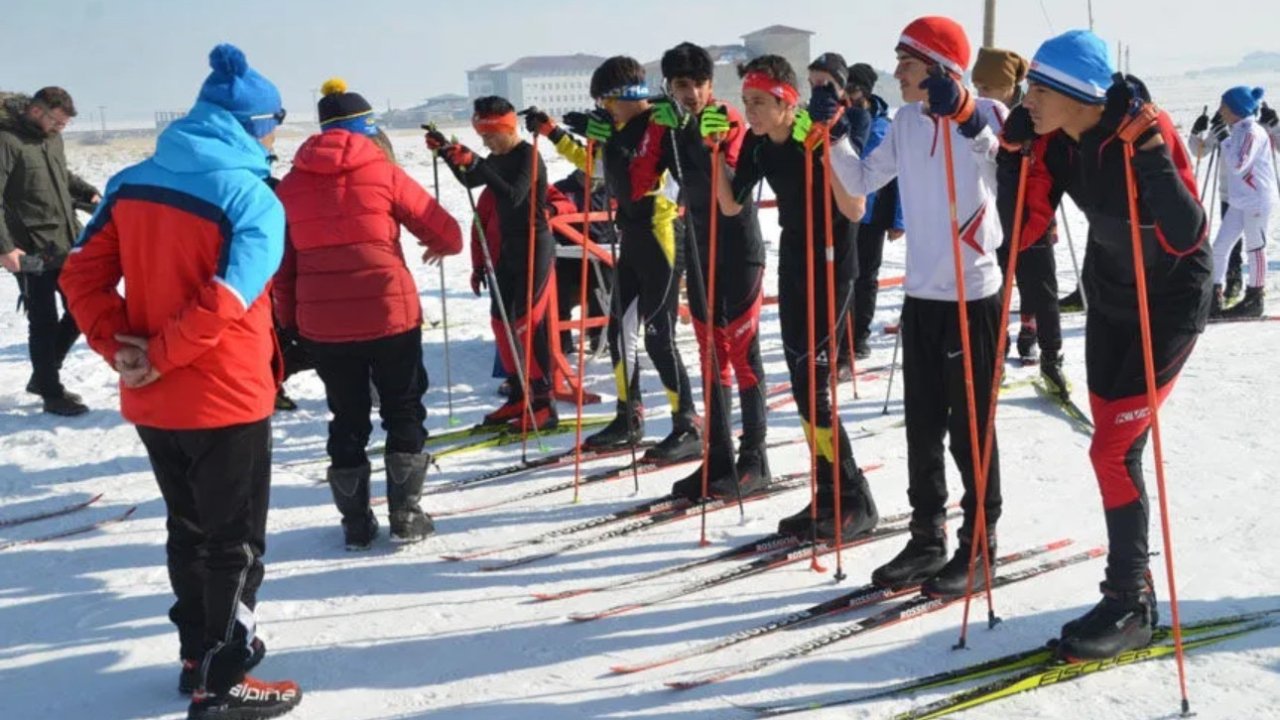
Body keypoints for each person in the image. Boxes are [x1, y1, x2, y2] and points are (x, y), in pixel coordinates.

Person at [59, 44, 301, 719]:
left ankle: (196, 655)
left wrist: (123, 350)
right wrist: (159, 353)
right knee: (235, 541)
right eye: (274, 124)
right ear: (253, 125)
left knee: (188, 529)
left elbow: (79, 274)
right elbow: (230, 297)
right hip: (223, 392)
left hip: (155, 398)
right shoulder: (250, 196)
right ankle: (222, 682)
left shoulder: (133, 180)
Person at [1000, 29, 1210, 658]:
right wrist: (1013, 157)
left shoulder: (1144, 128)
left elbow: (1185, 233)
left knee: (1113, 451)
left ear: (1076, 94)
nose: (1027, 99)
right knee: (1115, 450)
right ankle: (1130, 590)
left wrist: (1148, 149)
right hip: (1111, 298)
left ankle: (1130, 605)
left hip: (1168, 301)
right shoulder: (1054, 142)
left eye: (1039, 88)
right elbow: (1022, 230)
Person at [825, 16, 1007, 598]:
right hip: (922, 295)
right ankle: (928, 535)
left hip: (971, 295)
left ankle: (980, 543)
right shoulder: (904, 121)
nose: (896, 72)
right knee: (923, 426)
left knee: (969, 429)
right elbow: (863, 180)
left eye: (906, 63)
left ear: (938, 69)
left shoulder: (987, 116)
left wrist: (967, 117)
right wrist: (832, 137)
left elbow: (1005, 172)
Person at [275, 78, 461, 550]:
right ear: (366, 129)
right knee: (402, 407)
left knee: (346, 414)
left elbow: (283, 269)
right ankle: (406, 513)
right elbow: (448, 232)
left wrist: (293, 323)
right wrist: (436, 245)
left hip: (324, 324)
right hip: (389, 312)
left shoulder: (290, 186)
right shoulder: (383, 172)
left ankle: (355, 523)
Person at [709, 53, 879, 541]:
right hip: (794, 262)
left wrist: (828, 147)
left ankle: (855, 497)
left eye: (760, 102)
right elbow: (729, 202)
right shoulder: (761, 147)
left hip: (831, 262)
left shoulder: (813, 134)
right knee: (804, 388)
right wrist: (719, 150)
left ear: (787, 101)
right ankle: (828, 493)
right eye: (747, 103)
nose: (753, 112)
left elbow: (855, 208)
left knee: (816, 390)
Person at [524, 56, 701, 463]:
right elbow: (599, 169)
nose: (602, 109)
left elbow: (642, 174)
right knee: (621, 335)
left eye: (605, 102)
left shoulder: (660, 122)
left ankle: (687, 423)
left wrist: (610, 138)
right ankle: (629, 416)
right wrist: (552, 132)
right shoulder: (618, 126)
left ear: (622, 97)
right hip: (633, 237)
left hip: (661, 236)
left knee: (660, 339)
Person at [652, 42, 771, 500]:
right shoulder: (675, 127)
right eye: (680, 86)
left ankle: (754, 457)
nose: (688, 94)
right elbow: (650, 182)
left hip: (739, 248)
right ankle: (717, 455)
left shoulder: (727, 118)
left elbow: (737, 183)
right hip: (700, 249)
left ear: (708, 84)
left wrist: (714, 140)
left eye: (695, 85)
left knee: (743, 354)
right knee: (709, 355)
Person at [428, 96, 557, 431]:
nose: (486, 143)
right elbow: (472, 181)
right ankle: (518, 393)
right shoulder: (498, 157)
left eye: (489, 136)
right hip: (508, 250)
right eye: (481, 138)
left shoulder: (528, 155)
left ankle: (544, 403)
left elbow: (513, 194)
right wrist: (447, 152)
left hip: (534, 246)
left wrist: (477, 162)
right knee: (501, 322)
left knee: (525, 323)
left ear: (506, 128)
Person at [973, 47, 1068, 391]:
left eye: (989, 88)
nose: (982, 95)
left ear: (1010, 87)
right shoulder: (983, 115)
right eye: (978, 87)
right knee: (995, 291)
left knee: (1040, 290)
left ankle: (1047, 353)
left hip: (1034, 219)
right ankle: (995, 356)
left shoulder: (1032, 114)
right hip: (994, 220)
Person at [0, 87, 99, 416]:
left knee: (81, 310)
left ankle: (42, 376)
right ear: (36, 111)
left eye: (65, 123)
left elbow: (60, 176)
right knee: (42, 321)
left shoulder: (52, 139)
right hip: (29, 249)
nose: (61, 128)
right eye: (57, 121)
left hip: (64, 241)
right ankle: (51, 391)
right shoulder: (6, 142)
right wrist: (5, 248)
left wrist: (88, 193)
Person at [844, 62, 904, 359]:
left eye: (853, 89)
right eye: (845, 89)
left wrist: (898, 218)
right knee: (842, 274)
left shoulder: (885, 125)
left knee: (866, 276)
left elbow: (899, 175)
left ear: (865, 92)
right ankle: (840, 332)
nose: (848, 95)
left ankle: (860, 335)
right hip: (842, 208)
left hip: (873, 213)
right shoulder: (838, 119)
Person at [1207, 86, 1273, 318]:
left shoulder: (1251, 132)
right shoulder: (1237, 129)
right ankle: (1213, 296)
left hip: (1256, 198)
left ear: (1236, 108)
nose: (1220, 110)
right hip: (1239, 199)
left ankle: (1255, 298)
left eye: (1224, 106)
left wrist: (1223, 137)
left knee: (1255, 247)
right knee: (1220, 246)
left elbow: (1238, 164)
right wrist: (1224, 135)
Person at [547, 169, 612, 357]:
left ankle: (599, 336)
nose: (590, 181)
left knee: (602, 285)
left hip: (600, 252)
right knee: (560, 287)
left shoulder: (610, 189)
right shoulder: (562, 189)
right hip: (567, 252)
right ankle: (562, 337)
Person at [1188, 108, 1245, 302]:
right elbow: (1200, 150)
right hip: (1227, 194)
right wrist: (1196, 133)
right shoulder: (1221, 126)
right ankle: (1228, 281)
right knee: (1228, 241)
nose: (1222, 111)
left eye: (1226, 107)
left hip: (1249, 195)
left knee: (1244, 242)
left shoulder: (1249, 127)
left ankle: (1237, 280)